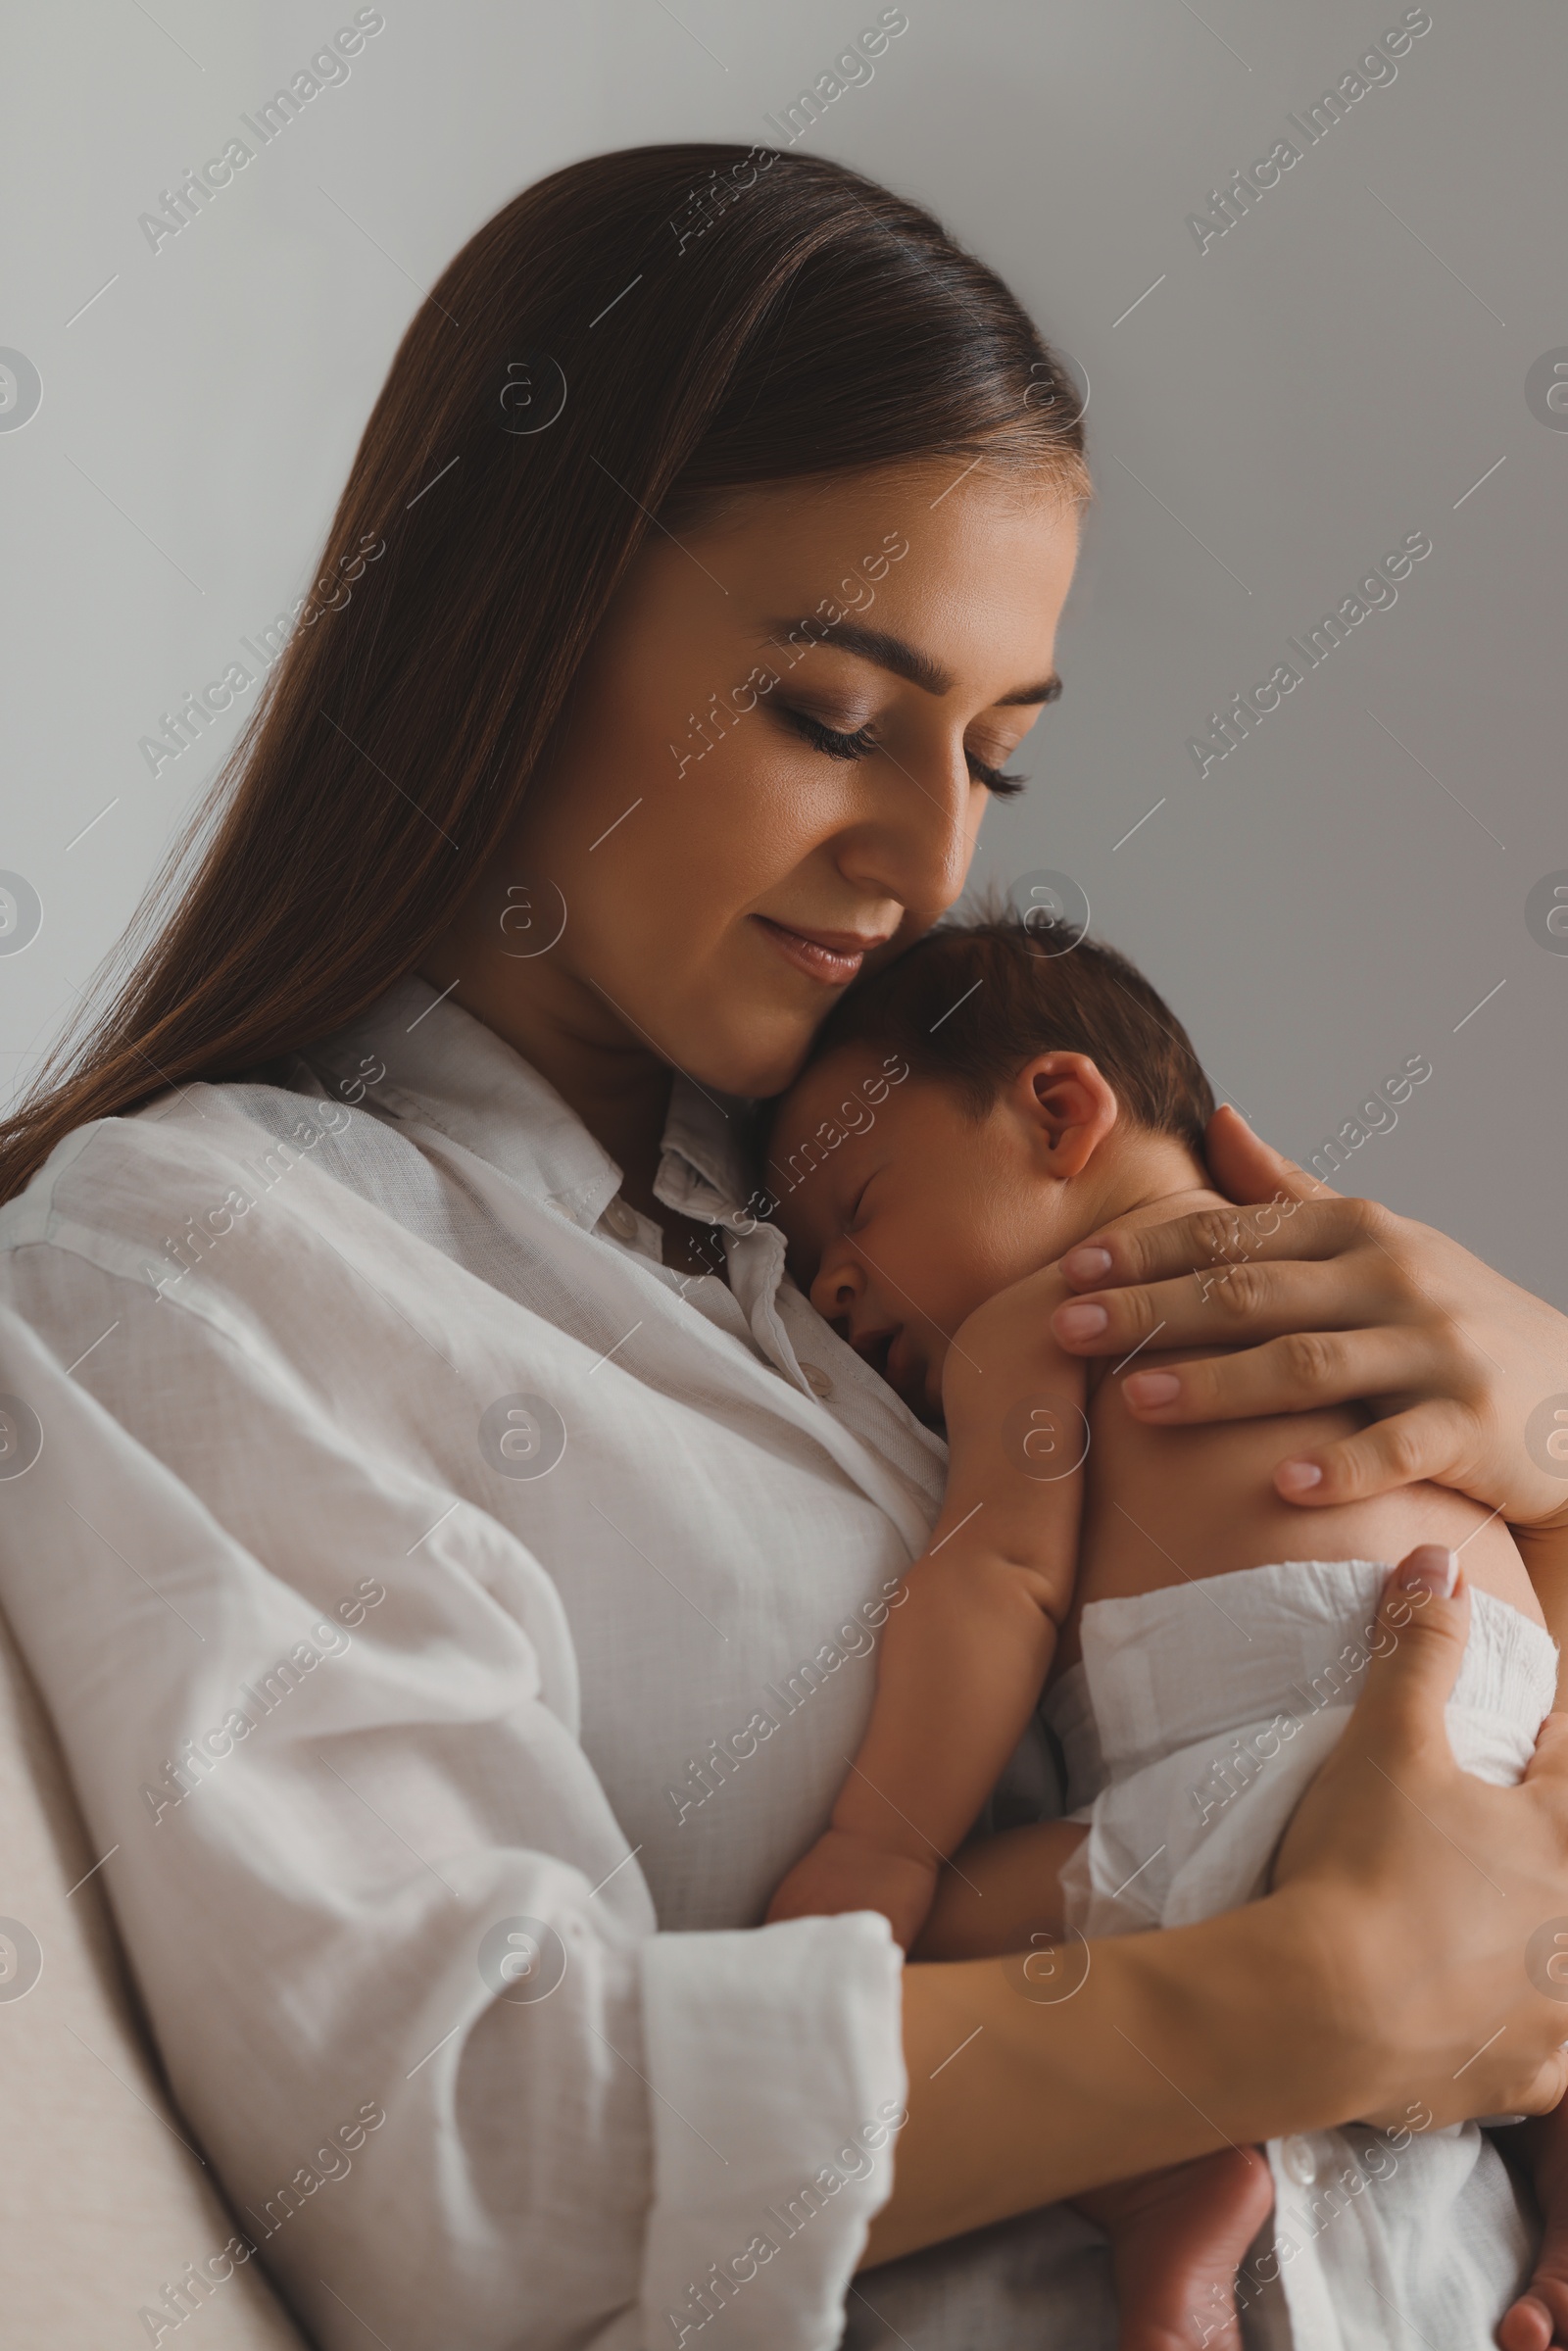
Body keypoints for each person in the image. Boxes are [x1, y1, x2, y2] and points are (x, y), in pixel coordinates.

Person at [1, 143, 1567, 2351]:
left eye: (994, 763)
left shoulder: (925, 1220)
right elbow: (455, 2148)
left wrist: (1540, 1432)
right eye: (832, 716)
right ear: (512, 618)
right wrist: (1286, 1998)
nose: (924, 863)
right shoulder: (204, 1266)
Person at [762, 915, 1566, 2347]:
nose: (829, 1286)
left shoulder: (1046, 1319)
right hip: (1502, 1755)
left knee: (888, 1975)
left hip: (1262, 1740)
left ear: (1059, 1112)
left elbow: (994, 1579)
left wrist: (876, 1853)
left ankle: (1156, 2179)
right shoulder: (1389, 1282)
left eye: (860, 1211)